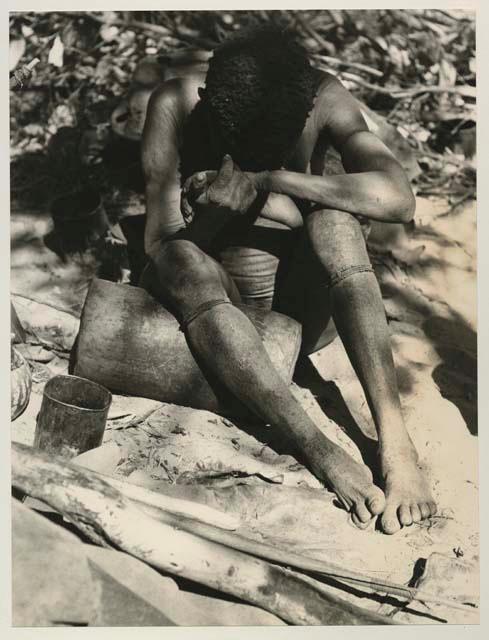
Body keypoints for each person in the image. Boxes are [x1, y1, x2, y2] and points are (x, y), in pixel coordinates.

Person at [140, 25, 436, 534]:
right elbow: (160, 243)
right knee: (180, 261)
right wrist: (213, 213)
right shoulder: (175, 104)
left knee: (336, 221)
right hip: (220, 310)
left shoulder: (323, 99)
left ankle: (396, 443)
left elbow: (398, 199)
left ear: (303, 110)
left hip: (308, 308)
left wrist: (271, 182)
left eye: (270, 149)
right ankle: (320, 451)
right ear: (208, 102)